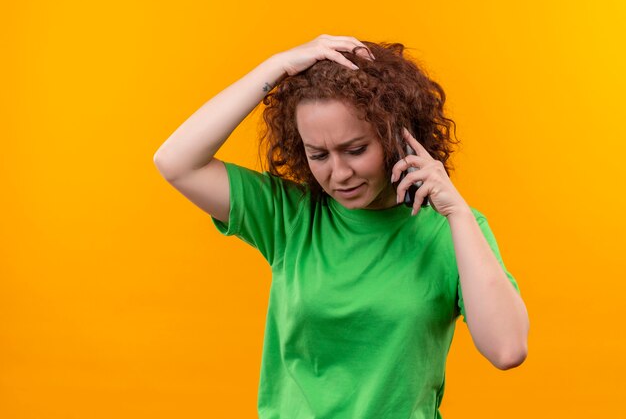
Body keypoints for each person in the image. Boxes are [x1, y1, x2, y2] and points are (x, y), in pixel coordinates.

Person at [153, 34, 530, 419]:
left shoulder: (453, 230)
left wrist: (459, 214)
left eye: (356, 150)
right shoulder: (292, 215)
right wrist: (277, 66)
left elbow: (507, 349)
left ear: (397, 137)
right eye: (318, 154)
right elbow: (176, 162)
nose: (339, 173)